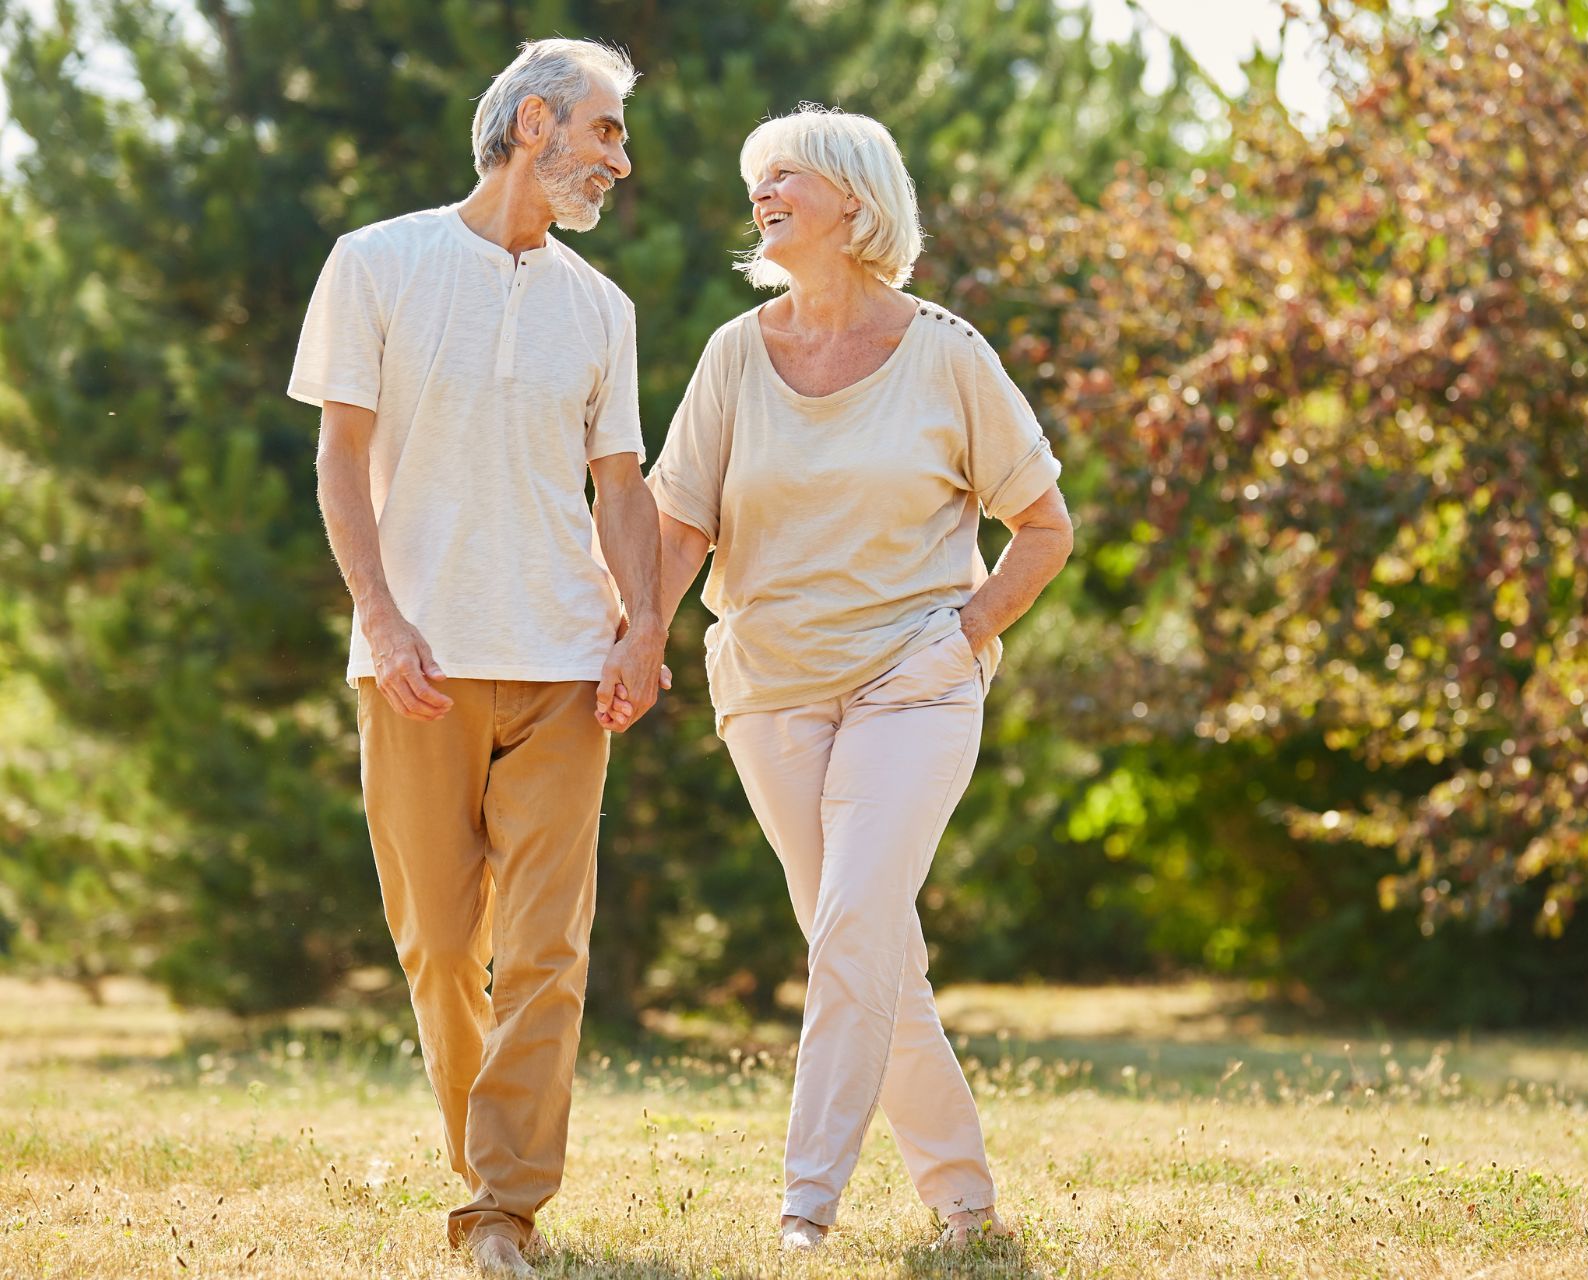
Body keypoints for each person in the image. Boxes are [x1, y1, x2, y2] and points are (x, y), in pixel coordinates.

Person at [647, 104, 1074, 1252]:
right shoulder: (735, 355)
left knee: (849, 928)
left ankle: (807, 1205)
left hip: (912, 682)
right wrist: (637, 639)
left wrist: (965, 634)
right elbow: (680, 527)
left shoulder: (948, 351)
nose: (762, 191)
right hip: (770, 689)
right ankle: (967, 1207)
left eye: (786, 173)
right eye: (756, 177)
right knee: (872, 946)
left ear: (854, 199)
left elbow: (1045, 526)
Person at [288, 38, 664, 1279]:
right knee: (443, 946)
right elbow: (341, 461)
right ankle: (482, 1162)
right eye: (605, 130)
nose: (620, 160)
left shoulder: (601, 307)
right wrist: (383, 617)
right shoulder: (377, 262)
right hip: (419, 665)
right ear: (535, 124)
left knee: (546, 947)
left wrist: (644, 625)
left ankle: (504, 1201)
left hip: (564, 662)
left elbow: (622, 486)